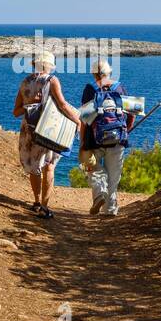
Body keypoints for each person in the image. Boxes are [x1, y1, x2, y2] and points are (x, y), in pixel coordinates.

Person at [13, 51, 81, 219]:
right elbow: (63, 105)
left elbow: (16, 112)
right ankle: (44, 205)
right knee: (48, 166)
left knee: (35, 167)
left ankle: (36, 202)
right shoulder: (52, 80)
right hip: (48, 129)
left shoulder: (25, 82)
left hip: (29, 129)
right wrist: (77, 121)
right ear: (48, 65)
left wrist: (32, 106)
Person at [79, 59, 135, 216]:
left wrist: (82, 141)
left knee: (93, 168)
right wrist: (126, 131)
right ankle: (110, 210)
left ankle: (99, 194)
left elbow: (84, 119)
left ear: (93, 73)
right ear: (109, 72)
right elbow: (132, 114)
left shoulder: (90, 89)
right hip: (118, 138)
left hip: (94, 139)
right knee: (114, 176)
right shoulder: (120, 88)